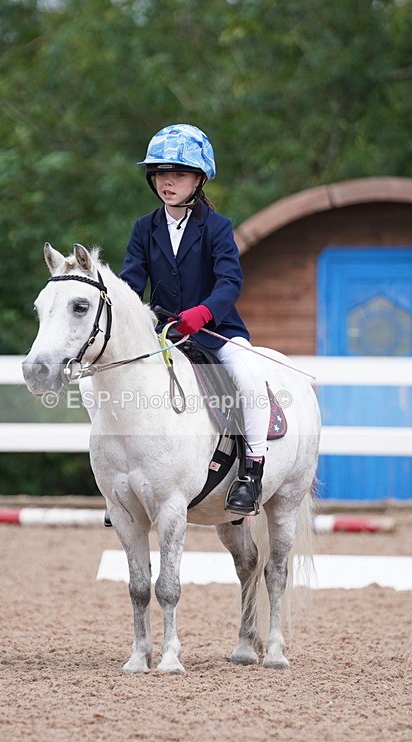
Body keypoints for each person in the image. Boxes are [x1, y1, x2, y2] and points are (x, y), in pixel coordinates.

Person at [119, 123, 270, 516]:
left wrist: (203, 312)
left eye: (179, 173)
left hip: (216, 331)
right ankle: (121, 476)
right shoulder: (143, 228)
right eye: (161, 173)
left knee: (249, 376)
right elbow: (131, 284)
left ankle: (251, 470)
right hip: (163, 336)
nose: (167, 181)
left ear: (199, 179)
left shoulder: (217, 227)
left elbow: (229, 281)